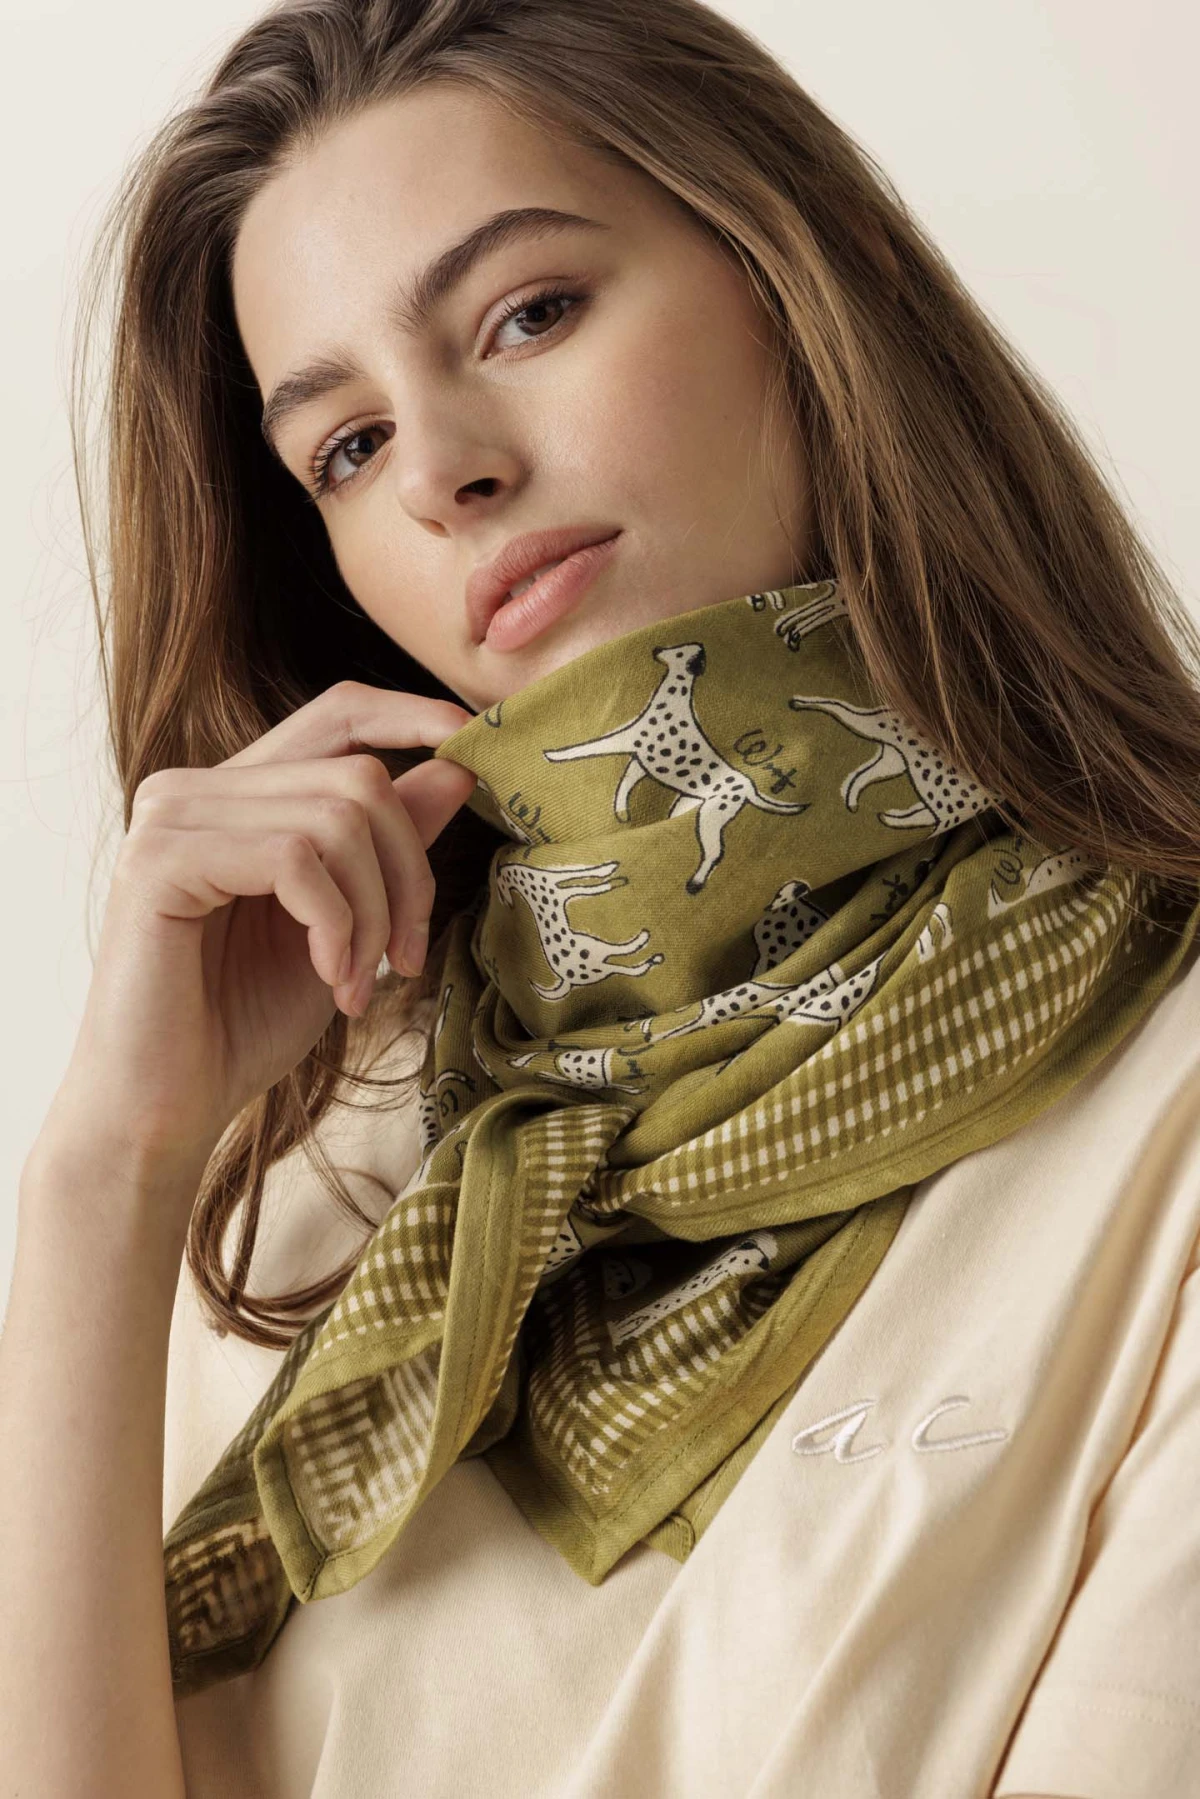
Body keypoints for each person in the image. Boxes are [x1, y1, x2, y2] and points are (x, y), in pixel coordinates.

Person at [3, 0, 1199, 1793]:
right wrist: (107, 1174)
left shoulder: (1167, 1113)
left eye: (531, 313)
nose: (441, 468)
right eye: (345, 446)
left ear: (804, 277)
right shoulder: (311, 1167)